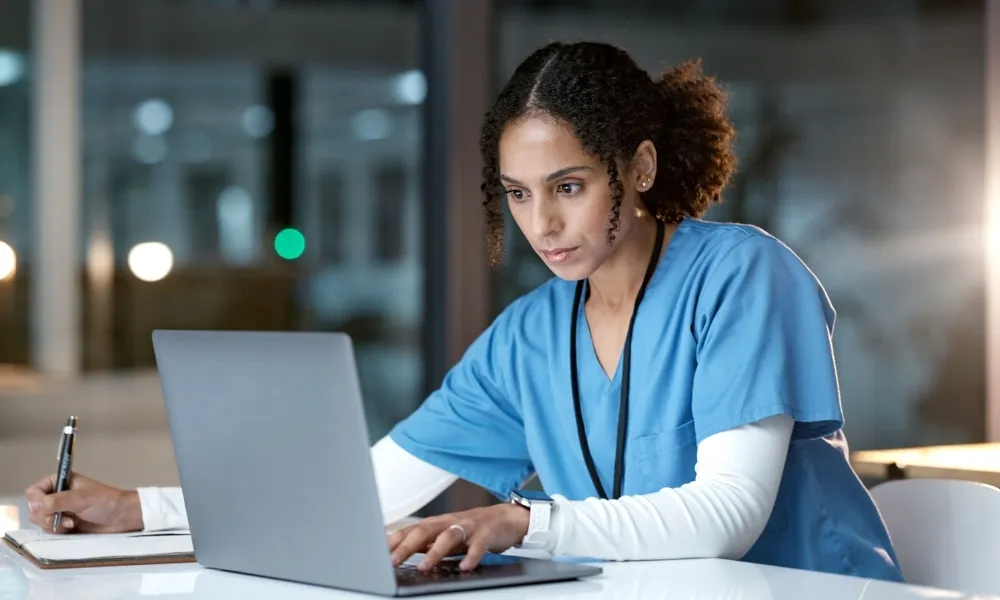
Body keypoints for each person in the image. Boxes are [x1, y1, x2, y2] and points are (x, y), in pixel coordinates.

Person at [24, 41, 903, 582]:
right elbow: (359, 494)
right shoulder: (530, 335)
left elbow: (726, 517)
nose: (543, 223)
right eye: (518, 195)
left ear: (637, 168)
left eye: (569, 185)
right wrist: (145, 509)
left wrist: (526, 521)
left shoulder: (743, 276)